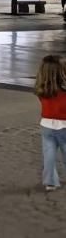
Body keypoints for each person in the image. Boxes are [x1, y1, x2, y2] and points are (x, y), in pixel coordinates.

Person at [34, 55, 66, 191]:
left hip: (46, 125)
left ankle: (50, 182)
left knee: (49, 155)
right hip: (64, 126)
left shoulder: (41, 89)